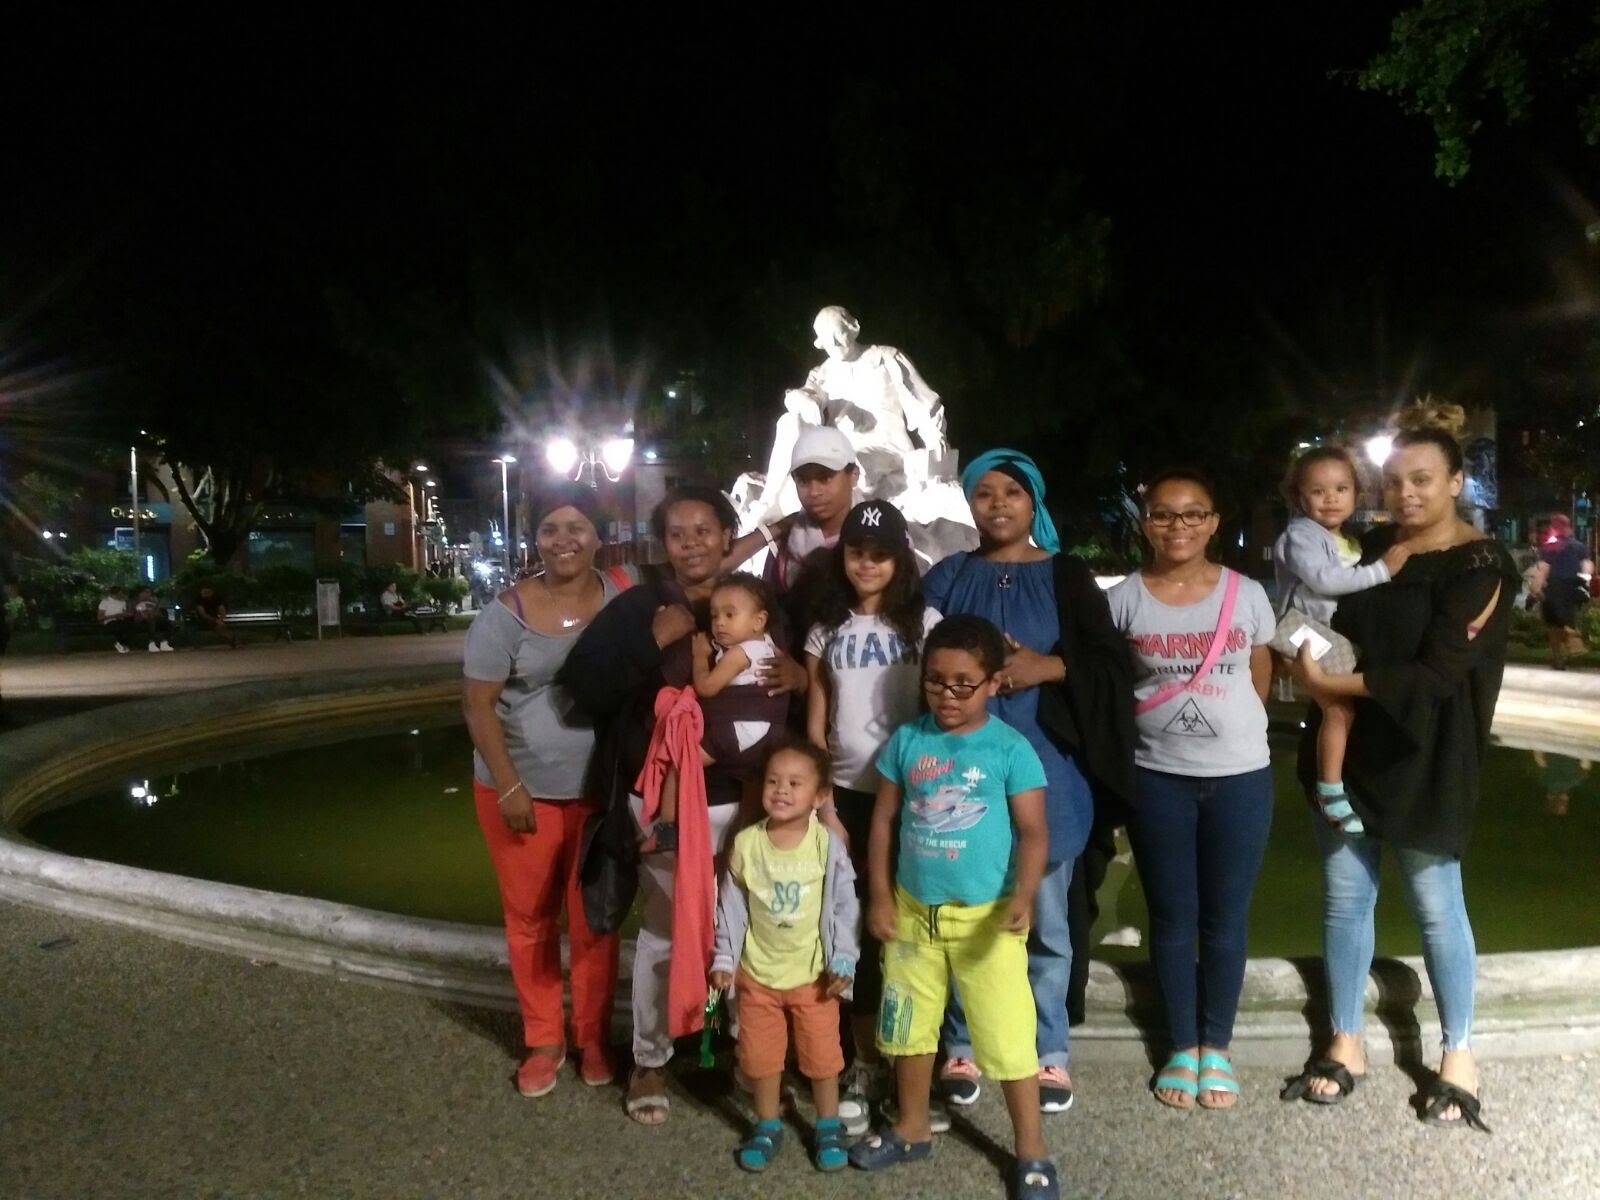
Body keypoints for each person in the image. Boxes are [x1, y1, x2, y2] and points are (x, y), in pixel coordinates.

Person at [1283, 403, 1521, 1133]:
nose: (1406, 493)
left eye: (1422, 479)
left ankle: (1458, 1053)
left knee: (1435, 905)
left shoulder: (1482, 564)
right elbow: (1330, 617)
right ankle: (1345, 1040)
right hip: (1352, 746)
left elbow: (1439, 673)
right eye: (1394, 481)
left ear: (1455, 481)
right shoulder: (1376, 549)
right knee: (1344, 898)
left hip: (1430, 754)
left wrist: (1332, 684)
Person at [558, 485, 807, 1125]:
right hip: (667, 799)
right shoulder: (643, 606)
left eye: (704, 530)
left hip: (747, 799)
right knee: (668, 930)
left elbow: (794, 682)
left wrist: (801, 677)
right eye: (677, 533)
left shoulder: (758, 603)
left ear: (727, 536)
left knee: (741, 932)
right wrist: (651, 643)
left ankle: (732, 1047)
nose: (692, 543)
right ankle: (651, 1055)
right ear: (664, 544)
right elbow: (583, 684)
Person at [919, 449, 1136, 1115]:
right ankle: (962, 1043)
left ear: (1033, 499)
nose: (998, 505)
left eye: (1011, 492)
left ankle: (1050, 1050)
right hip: (964, 772)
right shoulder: (950, 575)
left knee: (1046, 923)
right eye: (984, 493)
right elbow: (918, 652)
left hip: (1047, 771)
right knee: (965, 915)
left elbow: (1110, 662)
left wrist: (1048, 668)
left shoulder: (1067, 576)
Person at [852, 615, 1060, 1200]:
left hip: (985, 922)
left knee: (1009, 1036)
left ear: (994, 683)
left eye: (964, 684)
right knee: (908, 1027)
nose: (947, 694)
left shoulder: (1010, 750)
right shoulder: (907, 742)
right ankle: (912, 1126)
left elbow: (1034, 832)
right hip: (913, 916)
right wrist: (880, 895)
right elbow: (884, 822)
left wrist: (1023, 896)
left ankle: (1031, 1149)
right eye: (936, 681)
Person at [1105, 469, 1277, 1110]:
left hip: (1240, 776)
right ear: (1145, 523)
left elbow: (1259, 672)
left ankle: (1217, 1045)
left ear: (1212, 523)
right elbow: (1114, 683)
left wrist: (1233, 731)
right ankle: (1182, 1044)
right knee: (1172, 916)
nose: (1178, 526)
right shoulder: (1125, 599)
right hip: (1158, 775)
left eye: (1192, 514)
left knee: (1226, 917)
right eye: (1163, 514)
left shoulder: (1245, 593)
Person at [461, 485, 635, 1099]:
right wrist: (510, 784)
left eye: (576, 526)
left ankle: (592, 1036)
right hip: (520, 792)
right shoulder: (503, 615)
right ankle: (543, 1038)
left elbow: (703, 564)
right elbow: (477, 706)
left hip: (596, 792)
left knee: (595, 919)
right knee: (531, 920)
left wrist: (773, 532)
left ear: (599, 536)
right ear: (535, 540)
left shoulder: (621, 594)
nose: (564, 540)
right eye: (550, 529)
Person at [803, 498, 941, 1132]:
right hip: (847, 795)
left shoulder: (925, 623)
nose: (867, 564)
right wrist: (824, 801)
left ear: (900, 559)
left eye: (880, 555)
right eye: (857, 552)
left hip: (913, 793)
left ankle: (908, 1064)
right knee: (852, 929)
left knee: (910, 933)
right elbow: (817, 718)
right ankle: (862, 1061)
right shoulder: (825, 628)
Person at [709, 741, 860, 1173]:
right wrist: (724, 958)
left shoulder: (827, 845)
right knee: (760, 1058)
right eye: (774, 781)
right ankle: (767, 1123)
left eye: (795, 783)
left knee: (823, 1058)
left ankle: (828, 1124)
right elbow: (731, 907)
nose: (782, 790)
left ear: (819, 795)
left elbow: (845, 906)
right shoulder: (747, 844)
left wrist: (844, 958)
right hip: (758, 977)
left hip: (814, 979)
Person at [1273, 447, 1411, 834]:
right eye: (1318, 491)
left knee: (1348, 707)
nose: (1331, 498)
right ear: (1299, 497)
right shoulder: (1302, 535)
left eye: (1341, 488)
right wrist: (1384, 570)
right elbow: (1326, 580)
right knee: (1339, 709)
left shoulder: (1344, 538)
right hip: (1303, 631)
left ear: (1356, 493)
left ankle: (1342, 780)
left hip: (1325, 633)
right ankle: (1330, 791)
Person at [752, 306, 945, 514]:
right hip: (839, 449)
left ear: (853, 328)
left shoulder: (885, 358)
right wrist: (799, 399)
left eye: (838, 334)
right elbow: (807, 395)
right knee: (788, 422)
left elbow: (924, 404)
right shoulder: (823, 373)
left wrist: (937, 446)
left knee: (851, 468)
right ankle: (768, 501)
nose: (834, 343)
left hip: (886, 447)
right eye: (827, 340)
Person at [645, 572, 784, 854]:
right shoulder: (767, 645)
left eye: (730, 615)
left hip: (737, 728)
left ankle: (666, 830)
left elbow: (707, 687)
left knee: (680, 763)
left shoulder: (742, 652)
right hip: (756, 730)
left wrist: (699, 656)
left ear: (759, 620)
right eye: (714, 615)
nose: (719, 623)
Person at [756, 424, 864, 635]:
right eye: (803, 480)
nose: (814, 492)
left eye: (825, 478)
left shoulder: (882, 534)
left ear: (853, 475)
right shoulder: (784, 546)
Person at [1527, 512, 1592, 669]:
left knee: (1553, 626)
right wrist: (1585, 584)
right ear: (1569, 527)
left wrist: (1534, 590)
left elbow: (1543, 569)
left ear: (1554, 528)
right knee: (1566, 620)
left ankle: (1559, 658)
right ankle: (1570, 646)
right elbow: (1587, 565)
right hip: (1573, 588)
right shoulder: (1579, 546)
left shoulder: (1550, 547)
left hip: (1554, 589)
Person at [97, 585, 137, 653]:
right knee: (118, 626)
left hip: (120, 621)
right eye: (121, 593)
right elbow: (100, 617)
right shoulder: (105, 602)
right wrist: (114, 616)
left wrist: (126, 614)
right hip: (109, 622)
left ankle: (124, 644)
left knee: (130, 626)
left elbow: (124, 613)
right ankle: (120, 644)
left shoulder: (122, 602)